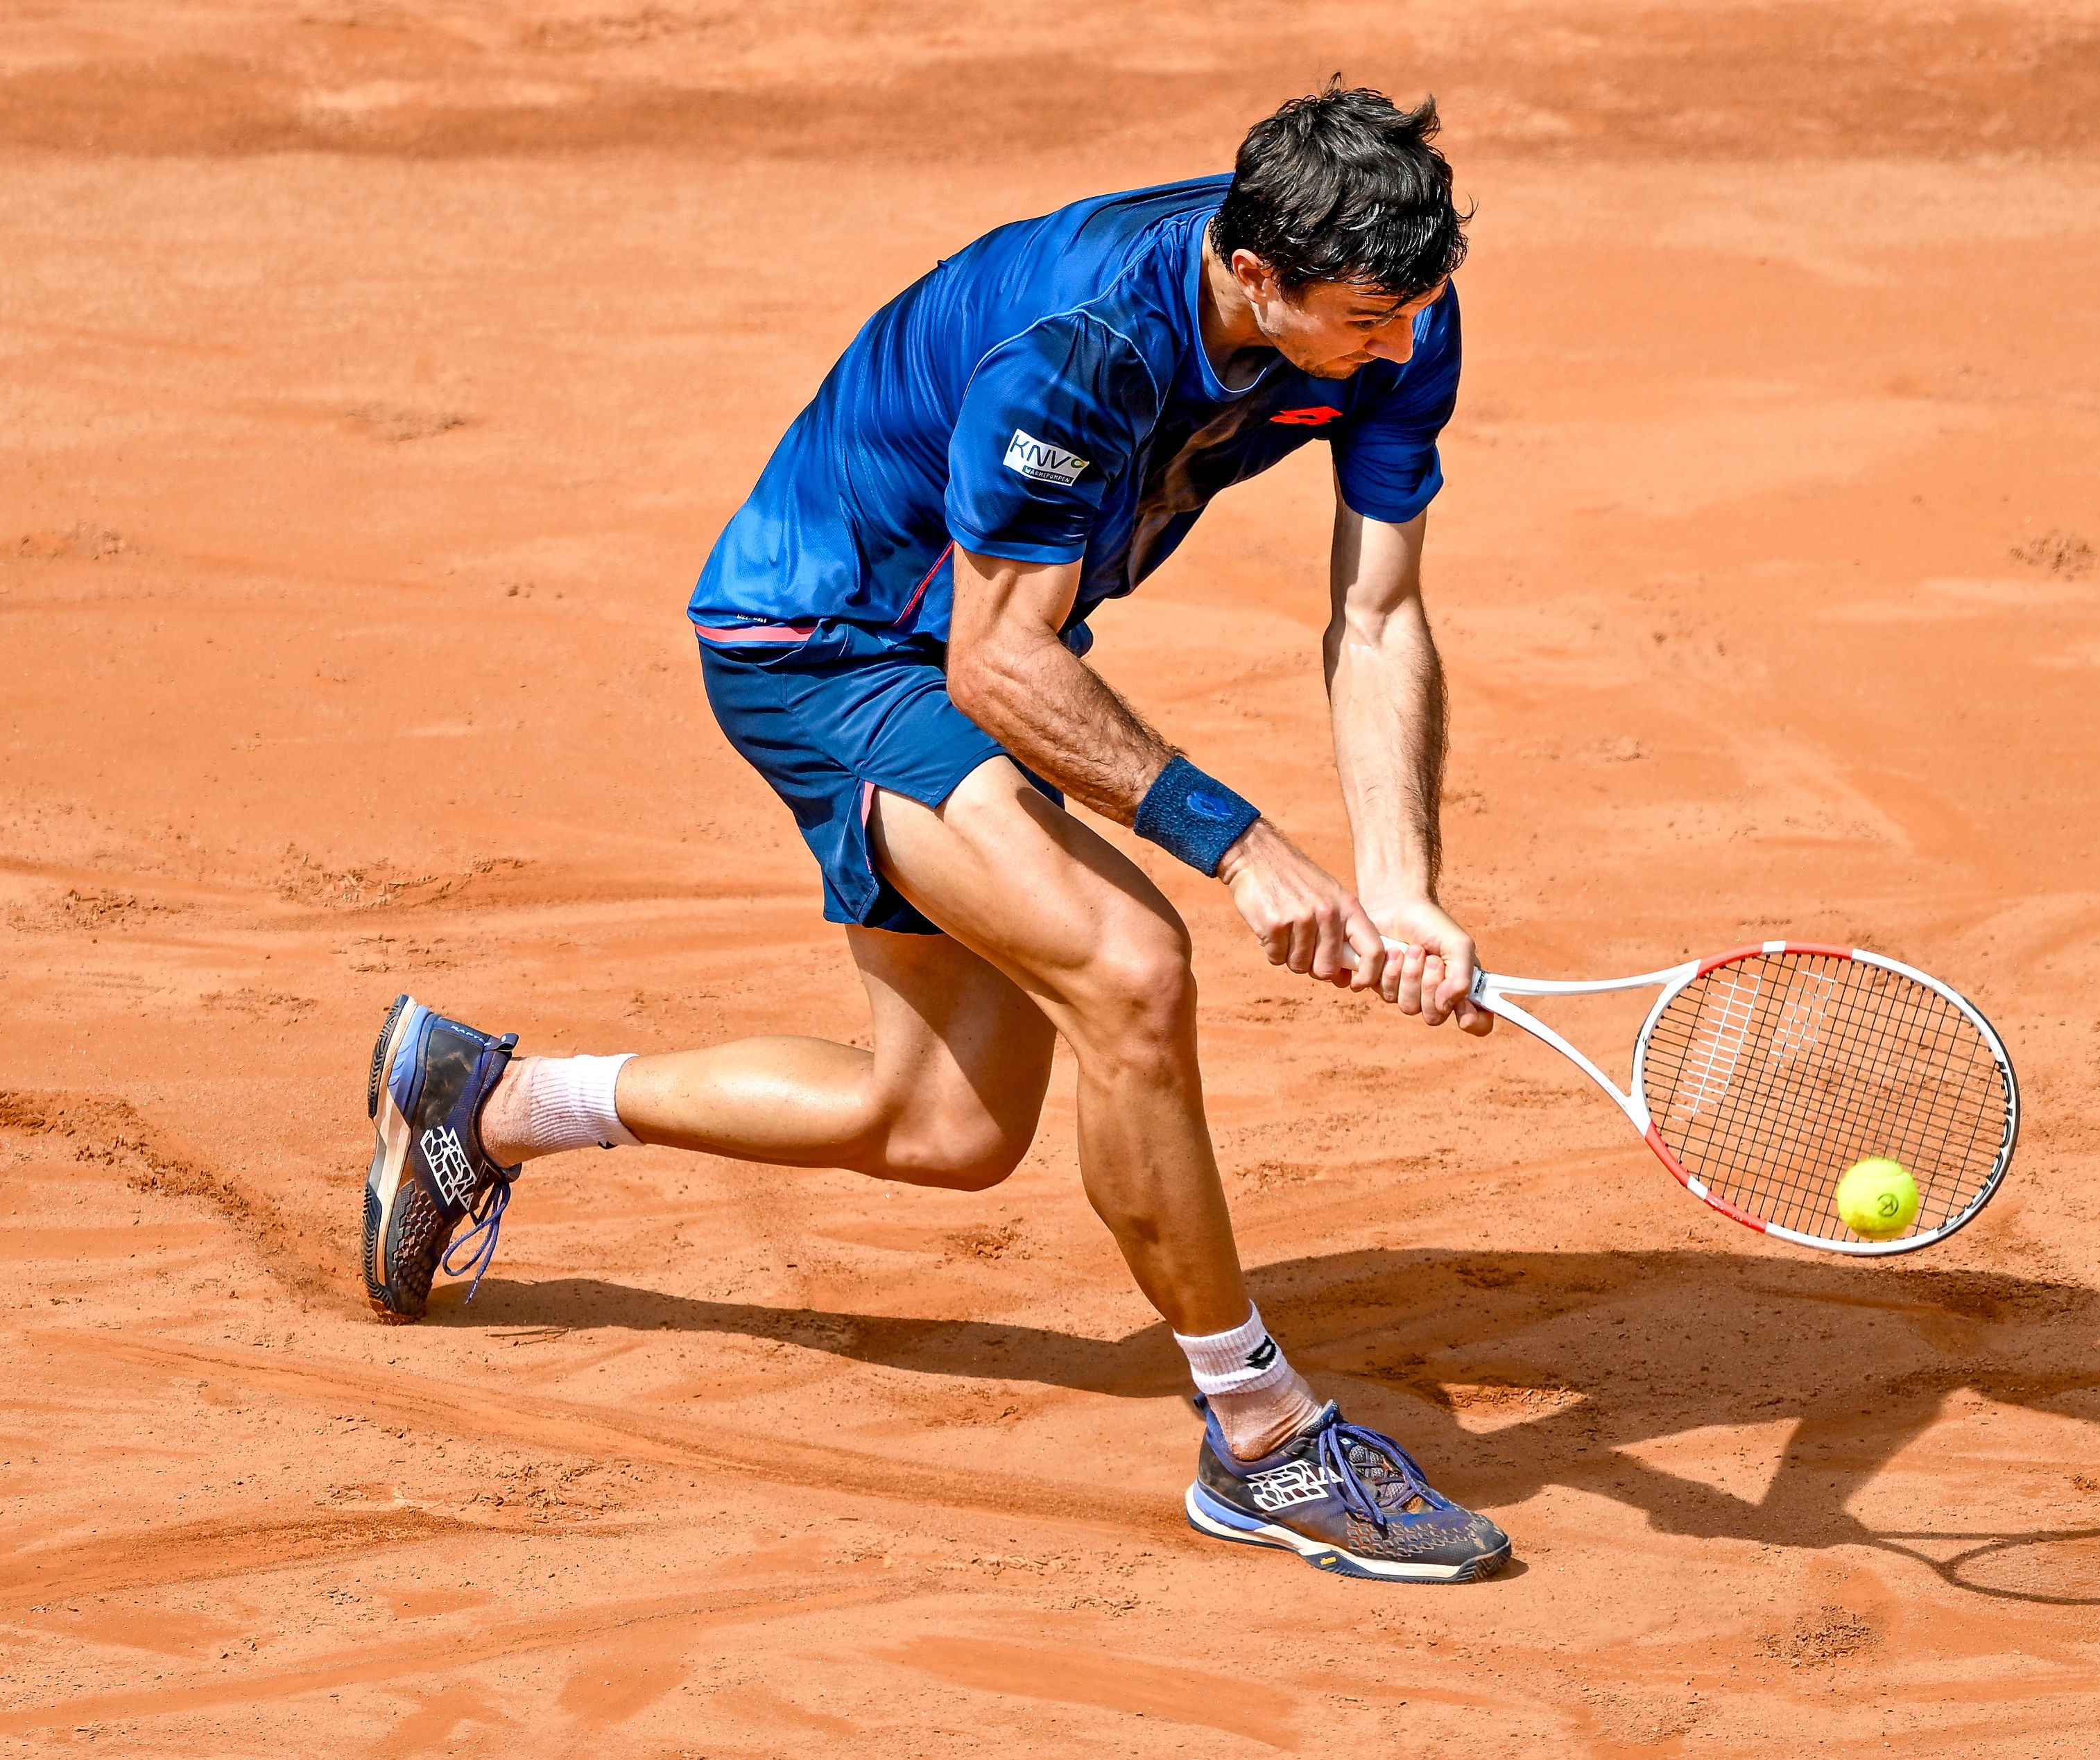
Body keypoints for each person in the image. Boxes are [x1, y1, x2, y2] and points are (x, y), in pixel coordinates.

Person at [361, 82, 1510, 1583]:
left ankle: (488, 1105)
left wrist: (1399, 883)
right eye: (1368, 319)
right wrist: (1238, 846)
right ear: (1253, 275)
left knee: (944, 1127)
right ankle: (1265, 1439)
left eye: (1418, 308)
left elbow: (1376, 612)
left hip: (953, 642)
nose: (1404, 345)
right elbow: (1000, 666)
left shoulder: (1388, 305)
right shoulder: (1085, 343)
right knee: (1131, 966)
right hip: (826, 644)